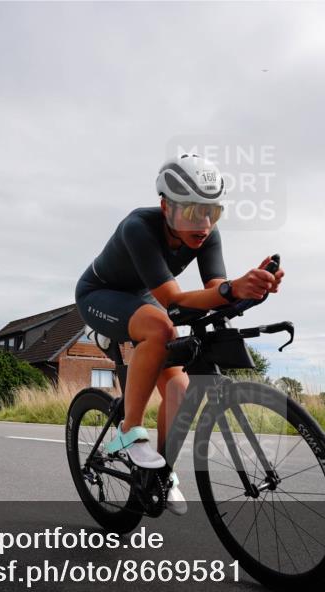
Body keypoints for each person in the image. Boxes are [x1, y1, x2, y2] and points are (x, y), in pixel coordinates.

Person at [75, 153, 284, 514]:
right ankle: (129, 430)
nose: (202, 223)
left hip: (141, 297)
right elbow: (172, 300)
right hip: (100, 293)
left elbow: (216, 289)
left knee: (181, 389)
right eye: (191, 211)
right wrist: (231, 289)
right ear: (165, 206)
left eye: (211, 212)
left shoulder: (207, 235)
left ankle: (161, 472)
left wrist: (252, 288)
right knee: (161, 327)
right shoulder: (138, 226)